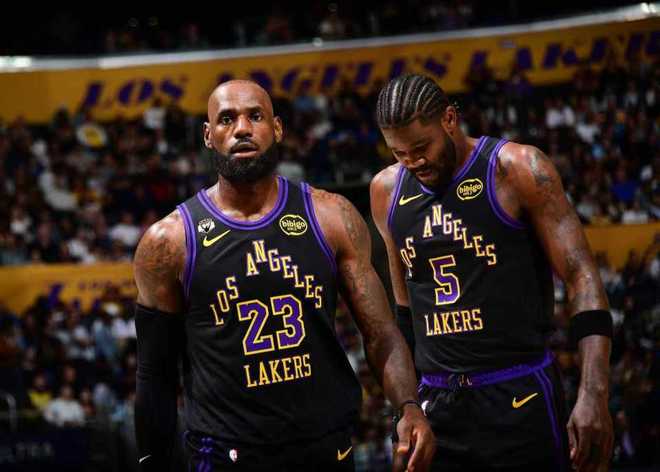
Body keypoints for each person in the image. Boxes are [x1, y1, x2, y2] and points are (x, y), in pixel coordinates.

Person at [133, 80, 435, 471]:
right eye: (227, 119)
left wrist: (408, 406)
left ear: (277, 128)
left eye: (255, 116)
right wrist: (152, 461)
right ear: (208, 135)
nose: (242, 128)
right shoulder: (169, 242)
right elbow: (154, 374)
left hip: (327, 449)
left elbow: (381, 333)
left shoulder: (331, 216)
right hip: (225, 456)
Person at [370, 74, 613, 472]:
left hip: (518, 391)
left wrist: (594, 392)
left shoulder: (517, 168)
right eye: (399, 153)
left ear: (450, 119)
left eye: (421, 147)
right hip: (438, 403)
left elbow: (581, 277)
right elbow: (404, 311)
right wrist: (406, 407)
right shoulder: (386, 191)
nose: (413, 162)